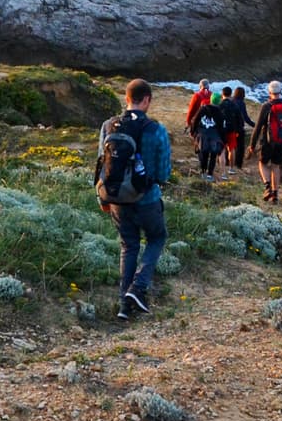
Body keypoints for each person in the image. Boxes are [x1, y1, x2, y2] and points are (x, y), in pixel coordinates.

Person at [95, 78, 172, 320]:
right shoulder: (155, 129)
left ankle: (124, 306)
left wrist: (103, 200)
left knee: (128, 246)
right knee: (157, 238)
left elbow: (101, 165)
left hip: (117, 199)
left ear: (126, 99)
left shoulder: (108, 126)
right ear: (146, 100)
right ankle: (138, 288)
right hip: (147, 198)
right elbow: (163, 173)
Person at [248, 80, 282, 204]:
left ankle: (267, 188)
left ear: (269, 92)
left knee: (263, 163)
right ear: (280, 92)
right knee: (276, 166)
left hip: (268, 141)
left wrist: (252, 144)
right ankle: (275, 194)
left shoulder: (267, 106)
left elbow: (258, 127)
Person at [191, 90, 227, 179]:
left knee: (204, 154)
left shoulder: (203, 108)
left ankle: (203, 173)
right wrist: (223, 140)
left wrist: (193, 132)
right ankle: (210, 174)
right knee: (213, 156)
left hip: (202, 134)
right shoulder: (220, 113)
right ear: (219, 101)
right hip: (215, 137)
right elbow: (221, 128)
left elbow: (195, 120)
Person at [220, 85, 252, 173]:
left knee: (225, 148)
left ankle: (225, 165)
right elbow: (243, 117)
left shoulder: (224, 103)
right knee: (236, 148)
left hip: (224, 128)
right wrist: (252, 125)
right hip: (235, 129)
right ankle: (236, 166)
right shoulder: (239, 104)